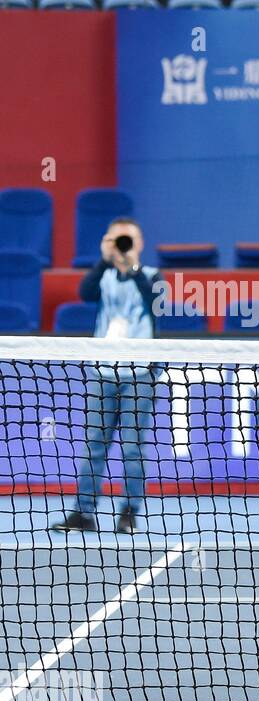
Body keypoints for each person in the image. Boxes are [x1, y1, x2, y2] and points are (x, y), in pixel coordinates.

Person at [52, 217, 163, 535]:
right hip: (103, 371)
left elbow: (157, 303)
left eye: (129, 240)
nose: (124, 245)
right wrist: (104, 259)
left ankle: (129, 512)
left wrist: (133, 267)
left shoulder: (153, 277)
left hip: (139, 373)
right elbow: (84, 292)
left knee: (132, 446)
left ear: (140, 244)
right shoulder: (103, 277)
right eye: (119, 240)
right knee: (94, 445)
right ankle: (83, 513)